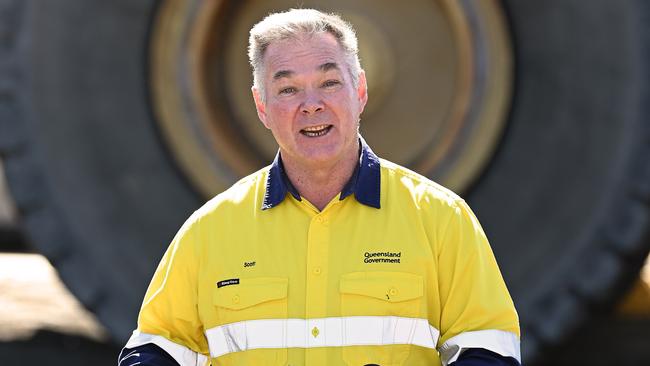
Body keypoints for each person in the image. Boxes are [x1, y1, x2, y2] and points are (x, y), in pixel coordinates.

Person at [118, 8, 520, 366]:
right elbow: (160, 348)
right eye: (288, 89)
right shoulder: (209, 231)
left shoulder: (441, 221)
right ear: (261, 107)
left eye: (329, 83)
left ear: (359, 90)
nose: (311, 104)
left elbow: (488, 350)